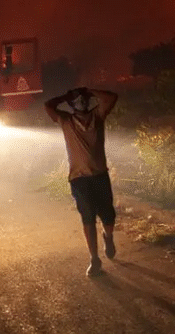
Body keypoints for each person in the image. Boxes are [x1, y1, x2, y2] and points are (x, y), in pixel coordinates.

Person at [45, 86, 119, 277]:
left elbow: (111, 97)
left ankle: (108, 237)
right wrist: (66, 95)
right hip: (79, 179)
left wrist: (90, 90)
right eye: (76, 100)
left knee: (108, 216)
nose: (81, 102)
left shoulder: (97, 116)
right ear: (70, 104)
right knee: (88, 218)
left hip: (100, 175)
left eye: (83, 99)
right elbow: (48, 105)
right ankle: (94, 259)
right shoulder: (66, 120)